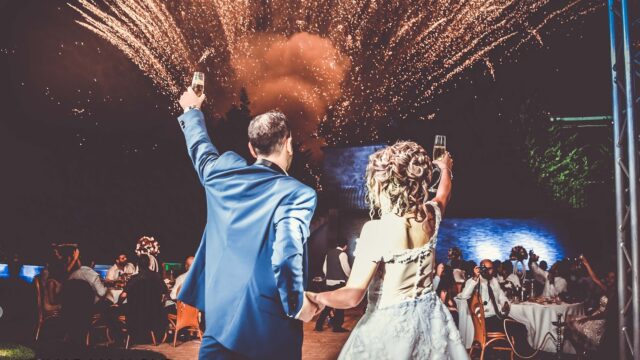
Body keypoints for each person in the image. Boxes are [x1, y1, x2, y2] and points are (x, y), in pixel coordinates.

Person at [176, 88, 319, 360]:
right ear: (288, 144)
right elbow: (286, 253)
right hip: (270, 334)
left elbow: (201, 150)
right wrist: (296, 305)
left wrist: (192, 111)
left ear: (252, 149)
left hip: (218, 326)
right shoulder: (298, 193)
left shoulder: (221, 175)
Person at [308, 141, 468, 359]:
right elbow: (443, 195)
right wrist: (445, 167)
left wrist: (316, 298)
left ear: (385, 185)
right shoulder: (430, 217)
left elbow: (352, 296)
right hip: (432, 321)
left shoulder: (377, 230)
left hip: (389, 328)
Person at [118, 254, 169, 342]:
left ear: (138, 265)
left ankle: (119, 338)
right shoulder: (157, 277)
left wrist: (118, 303)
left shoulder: (134, 279)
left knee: (110, 312)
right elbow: (166, 292)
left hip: (136, 314)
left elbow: (123, 295)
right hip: (154, 313)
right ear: (149, 264)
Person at [459, 259, 510, 332]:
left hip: (497, 316)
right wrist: (475, 278)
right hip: (483, 320)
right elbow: (464, 296)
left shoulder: (494, 281)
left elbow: (502, 296)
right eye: (486, 269)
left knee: (520, 326)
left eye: (491, 269)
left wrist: (505, 303)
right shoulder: (474, 281)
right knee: (516, 328)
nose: (489, 271)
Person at [315, 242, 351, 332]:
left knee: (329, 304)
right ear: (345, 246)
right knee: (340, 305)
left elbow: (324, 269)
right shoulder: (342, 254)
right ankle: (337, 327)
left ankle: (319, 325)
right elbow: (346, 268)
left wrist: (329, 277)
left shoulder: (329, 253)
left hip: (329, 282)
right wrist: (350, 277)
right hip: (339, 282)